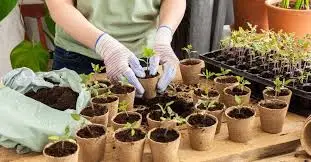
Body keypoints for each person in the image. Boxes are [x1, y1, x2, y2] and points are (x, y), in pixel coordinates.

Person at [46, 0, 186, 97]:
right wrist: (105, 45)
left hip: (142, 58)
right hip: (78, 54)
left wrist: (164, 36)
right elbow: (59, 4)